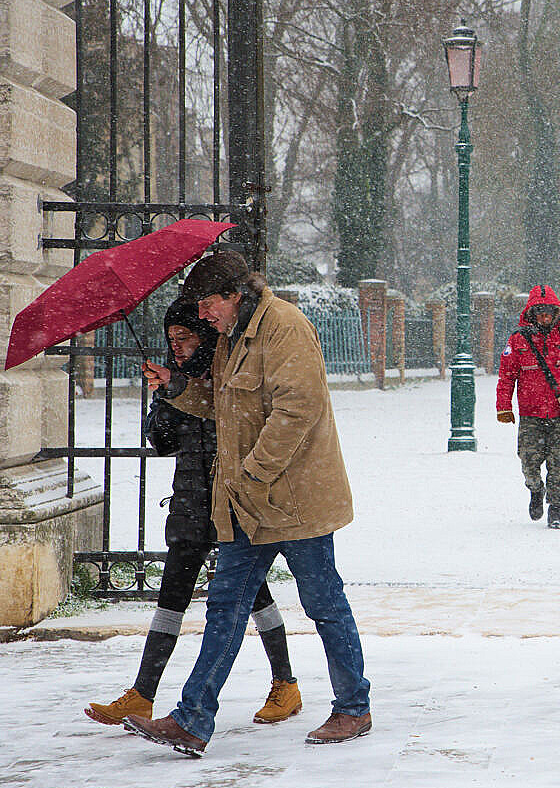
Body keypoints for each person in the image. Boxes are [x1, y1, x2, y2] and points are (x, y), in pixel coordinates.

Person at [131, 250, 370, 756]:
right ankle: (192, 721)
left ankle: (353, 708)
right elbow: (219, 401)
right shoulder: (229, 336)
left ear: (235, 294)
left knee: (323, 604)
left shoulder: (285, 326)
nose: (201, 315)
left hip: (297, 501)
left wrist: (252, 472)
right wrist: (175, 386)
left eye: (207, 304)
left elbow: (296, 409)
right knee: (225, 607)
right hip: (247, 505)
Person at [85, 300, 301, 729]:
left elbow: (245, 427)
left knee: (255, 597)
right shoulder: (174, 380)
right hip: (188, 504)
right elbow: (161, 444)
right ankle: (142, 695)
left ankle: (285, 683)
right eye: (171, 340)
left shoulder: (225, 376)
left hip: (231, 504)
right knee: (170, 601)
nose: (178, 346)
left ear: (205, 338)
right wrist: (167, 396)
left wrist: (189, 389)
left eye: (185, 337)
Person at [496, 285, 560, 530]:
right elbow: (506, 375)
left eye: (549, 312)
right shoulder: (518, 340)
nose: (545, 317)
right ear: (532, 314)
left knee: (558, 463)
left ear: (556, 313)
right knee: (528, 461)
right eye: (540, 313)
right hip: (530, 413)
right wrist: (504, 406)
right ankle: (535, 489)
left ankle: (555, 507)